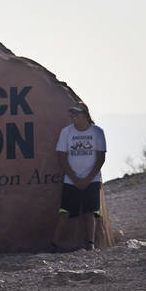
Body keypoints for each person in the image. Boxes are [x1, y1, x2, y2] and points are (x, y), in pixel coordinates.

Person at [52, 102, 107, 251]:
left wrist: (88, 179)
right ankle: (55, 244)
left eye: (76, 113)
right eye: (72, 114)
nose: (73, 116)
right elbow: (61, 156)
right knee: (64, 212)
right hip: (71, 180)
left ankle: (90, 244)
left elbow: (101, 158)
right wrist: (74, 178)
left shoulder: (97, 132)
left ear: (85, 114)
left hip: (92, 179)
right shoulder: (66, 132)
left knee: (89, 212)